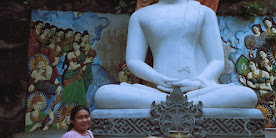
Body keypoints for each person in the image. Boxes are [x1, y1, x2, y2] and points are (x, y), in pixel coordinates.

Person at [95, 0, 257, 109]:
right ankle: (178, 104)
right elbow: (134, 61)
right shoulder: (140, 16)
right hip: (157, 91)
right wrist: (157, 78)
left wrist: (197, 82)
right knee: (104, 95)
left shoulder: (204, 12)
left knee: (247, 95)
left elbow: (216, 61)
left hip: (197, 90)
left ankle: (172, 105)